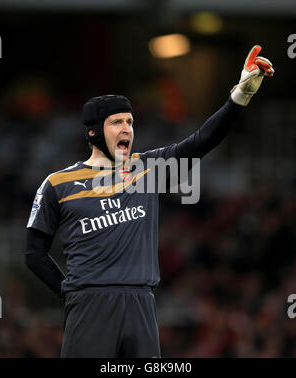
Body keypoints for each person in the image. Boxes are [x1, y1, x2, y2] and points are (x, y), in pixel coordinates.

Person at [25, 45, 274, 358]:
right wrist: (71, 292)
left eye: (130, 121)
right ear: (93, 132)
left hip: (141, 303)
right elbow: (34, 253)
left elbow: (201, 141)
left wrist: (239, 96)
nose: (127, 128)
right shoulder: (57, 184)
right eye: (117, 122)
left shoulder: (147, 168)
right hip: (89, 304)